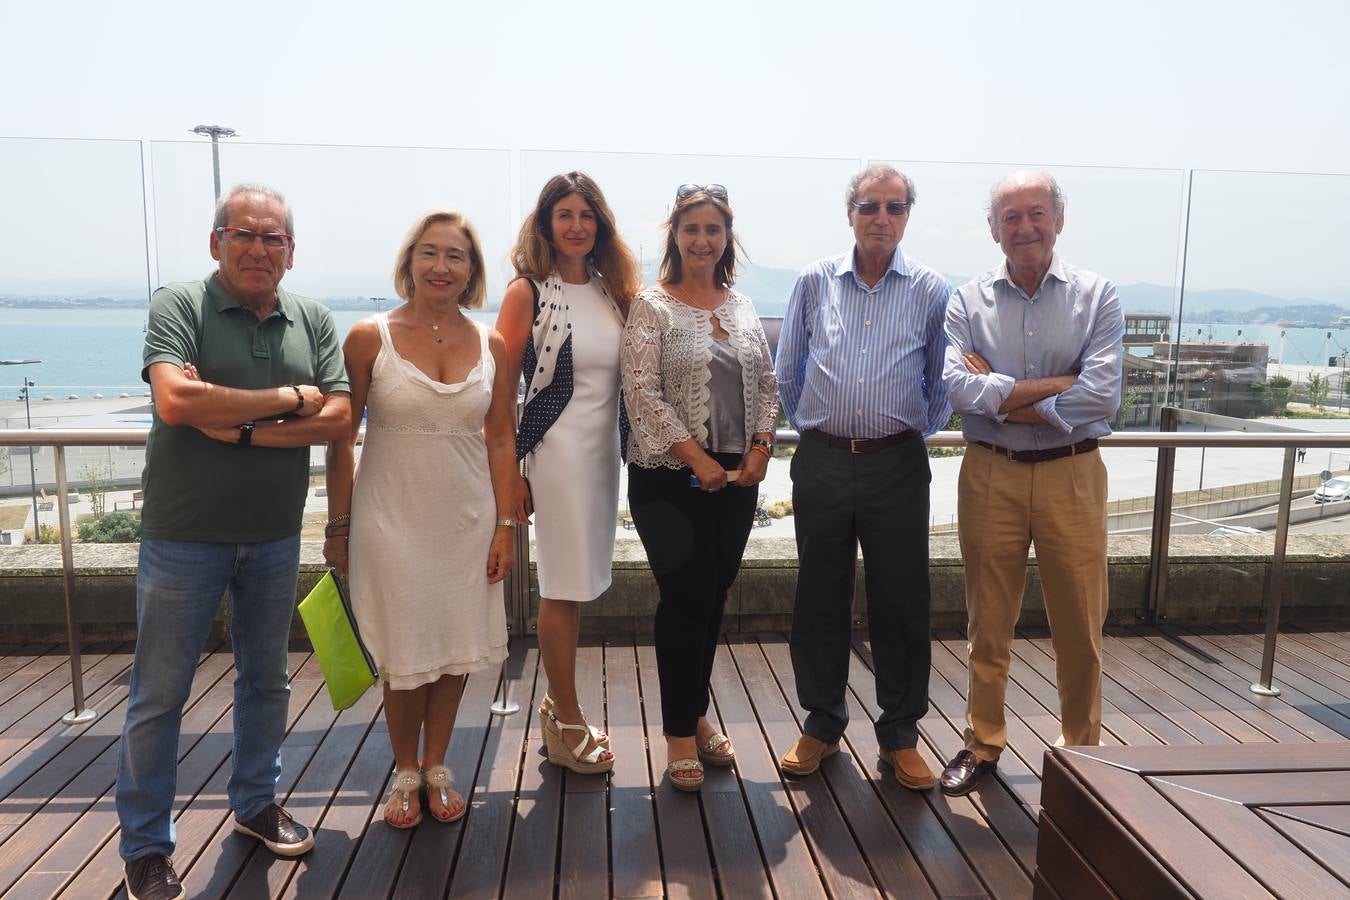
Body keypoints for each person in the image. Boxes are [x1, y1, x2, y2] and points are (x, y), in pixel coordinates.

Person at [117, 184, 351, 900]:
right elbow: (175, 401)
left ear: (291, 251)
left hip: (275, 533)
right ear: (216, 242)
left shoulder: (309, 316)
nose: (258, 247)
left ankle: (255, 804)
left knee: (268, 681)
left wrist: (238, 424)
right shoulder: (180, 304)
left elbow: (340, 417)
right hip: (183, 535)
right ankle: (146, 848)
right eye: (243, 234)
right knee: (159, 694)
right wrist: (286, 400)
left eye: (272, 237)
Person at [323, 210, 515, 827]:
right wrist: (339, 526)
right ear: (409, 261)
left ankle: (437, 765)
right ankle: (405, 769)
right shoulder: (366, 337)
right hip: (390, 522)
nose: (441, 266)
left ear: (471, 271)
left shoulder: (493, 343)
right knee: (405, 653)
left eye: (455, 256)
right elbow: (340, 441)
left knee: (456, 648)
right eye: (429, 253)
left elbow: (500, 439)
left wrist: (506, 525)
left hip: (467, 522)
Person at [939, 171, 1124, 796]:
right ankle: (982, 742)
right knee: (987, 623)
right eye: (1010, 217)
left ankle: (1085, 754)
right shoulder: (965, 302)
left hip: (1074, 472)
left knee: (1081, 624)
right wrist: (1057, 385)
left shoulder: (1097, 296)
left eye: (1035, 213)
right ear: (994, 230)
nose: (1024, 227)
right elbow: (959, 392)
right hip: (991, 472)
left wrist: (1004, 393)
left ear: (1058, 220)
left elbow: (1102, 395)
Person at [776, 165, 950, 791]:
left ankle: (900, 734)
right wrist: (825, 428)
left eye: (895, 207)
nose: (882, 217)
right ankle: (822, 723)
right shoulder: (814, 282)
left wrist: (896, 433)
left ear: (907, 216)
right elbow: (787, 370)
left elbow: (940, 385)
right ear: (849, 212)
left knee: (902, 599)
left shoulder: (932, 290)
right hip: (821, 458)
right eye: (870, 206)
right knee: (819, 596)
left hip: (897, 463)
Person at [622, 184, 777, 791]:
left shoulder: (740, 307)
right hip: (668, 477)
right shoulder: (651, 307)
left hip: (737, 477)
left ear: (726, 238)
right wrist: (695, 456)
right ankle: (680, 735)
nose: (702, 240)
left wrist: (762, 446)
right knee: (685, 595)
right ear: (674, 237)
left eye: (713, 229)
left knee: (714, 595)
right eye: (691, 229)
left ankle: (696, 709)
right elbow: (642, 393)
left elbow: (767, 382)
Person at [495, 172, 641, 774]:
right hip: (555, 457)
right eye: (565, 215)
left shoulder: (612, 291)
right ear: (546, 222)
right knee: (560, 587)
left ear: (600, 224)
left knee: (577, 586)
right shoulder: (528, 291)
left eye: (587, 215)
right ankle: (564, 719)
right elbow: (502, 393)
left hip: (602, 457)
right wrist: (511, 475)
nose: (577, 225)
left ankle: (560, 709)